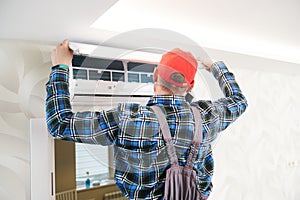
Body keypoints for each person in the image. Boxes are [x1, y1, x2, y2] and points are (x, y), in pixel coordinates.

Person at [46, 39, 247, 200]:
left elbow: (59, 123)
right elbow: (239, 101)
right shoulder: (207, 115)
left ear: (155, 75)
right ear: (190, 85)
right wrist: (215, 67)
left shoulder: (128, 118)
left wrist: (61, 66)